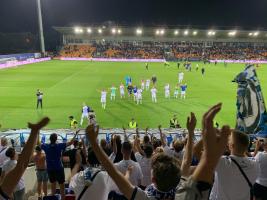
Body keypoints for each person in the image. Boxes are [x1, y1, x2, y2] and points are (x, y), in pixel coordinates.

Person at [85, 103, 232, 200]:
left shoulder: (143, 197)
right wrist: (191, 132)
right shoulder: (184, 194)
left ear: (153, 179)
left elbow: (113, 172)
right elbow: (187, 161)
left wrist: (93, 142)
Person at [0, 117, 49, 200]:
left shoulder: (5, 164)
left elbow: (2, 176)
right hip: (19, 188)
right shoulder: (14, 164)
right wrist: (35, 131)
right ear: (14, 154)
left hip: (12, 189)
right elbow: (23, 163)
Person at [209, 130, 259, 200]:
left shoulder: (222, 162)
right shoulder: (255, 164)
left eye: (229, 140)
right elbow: (244, 153)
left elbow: (197, 151)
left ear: (231, 146)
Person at [41, 131, 78, 200]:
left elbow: (39, 144)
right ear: (56, 139)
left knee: (53, 185)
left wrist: (36, 133)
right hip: (59, 168)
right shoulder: (59, 145)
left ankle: (53, 197)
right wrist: (75, 134)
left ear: (50, 139)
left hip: (50, 169)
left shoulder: (46, 146)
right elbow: (70, 143)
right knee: (62, 185)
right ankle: (63, 198)